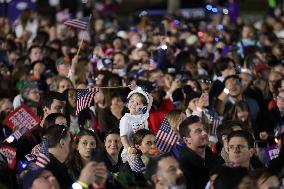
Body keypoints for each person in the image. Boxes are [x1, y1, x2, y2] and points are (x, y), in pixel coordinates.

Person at [178, 115, 224, 189]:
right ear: (187, 140)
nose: (204, 133)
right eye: (198, 131)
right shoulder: (181, 168)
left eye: (204, 129)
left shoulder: (217, 159)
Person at [119, 87, 153, 162]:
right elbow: (123, 137)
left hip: (144, 148)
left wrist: (138, 88)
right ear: (128, 103)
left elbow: (150, 99)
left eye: (137, 103)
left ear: (143, 107)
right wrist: (129, 149)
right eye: (132, 101)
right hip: (131, 151)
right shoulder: (125, 119)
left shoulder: (143, 115)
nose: (134, 104)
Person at [44, 124, 73, 189]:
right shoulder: (55, 170)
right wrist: (83, 182)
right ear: (62, 143)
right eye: (70, 142)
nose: (72, 146)